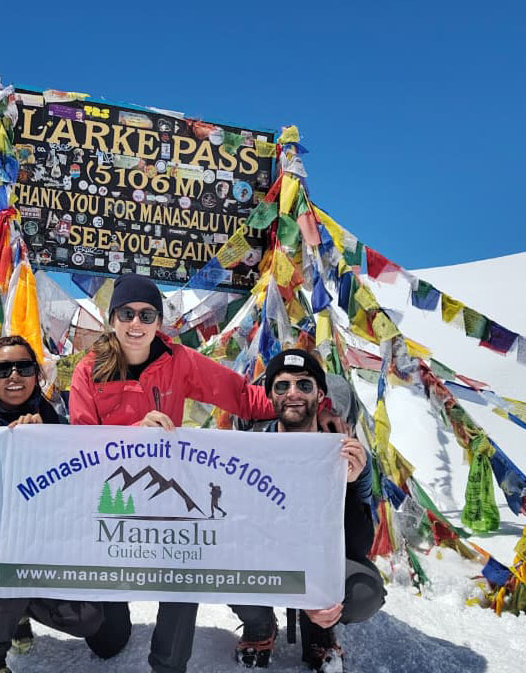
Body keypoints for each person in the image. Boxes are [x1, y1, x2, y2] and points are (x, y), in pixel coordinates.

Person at [69, 272, 278, 673]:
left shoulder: (177, 361)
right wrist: (136, 434)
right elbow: (82, 447)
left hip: (167, 491)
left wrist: (297, 404)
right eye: (127, 313)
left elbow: (241, 396)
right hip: (113, 497)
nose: (136, 323)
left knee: (185, 564)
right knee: (107, 643)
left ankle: (168, 664)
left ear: (158, 323)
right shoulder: (89, 371)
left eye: (147, 315)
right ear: (113, 318)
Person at [0, 336, 130, 673]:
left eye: (24, 367)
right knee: (12, 570)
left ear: (37, 376)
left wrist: (45, 444)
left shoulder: (60, 428)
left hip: (50, 543)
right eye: (2, 369)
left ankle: (19, 606)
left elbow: (80, 497)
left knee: (103, 632)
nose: (14, 375)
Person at [230, 348, 386, 672]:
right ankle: (260, 624)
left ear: (320, 394)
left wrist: (353, 485)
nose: (293, 394)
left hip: (321, 559)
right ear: (270, 395)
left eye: (304, 385)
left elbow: (359, 543)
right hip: (269, 557)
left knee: (361, 589)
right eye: (282, 386)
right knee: (229, 565)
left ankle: (320, 630)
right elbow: (236, 528)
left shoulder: (344, 450)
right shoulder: (251, 446)